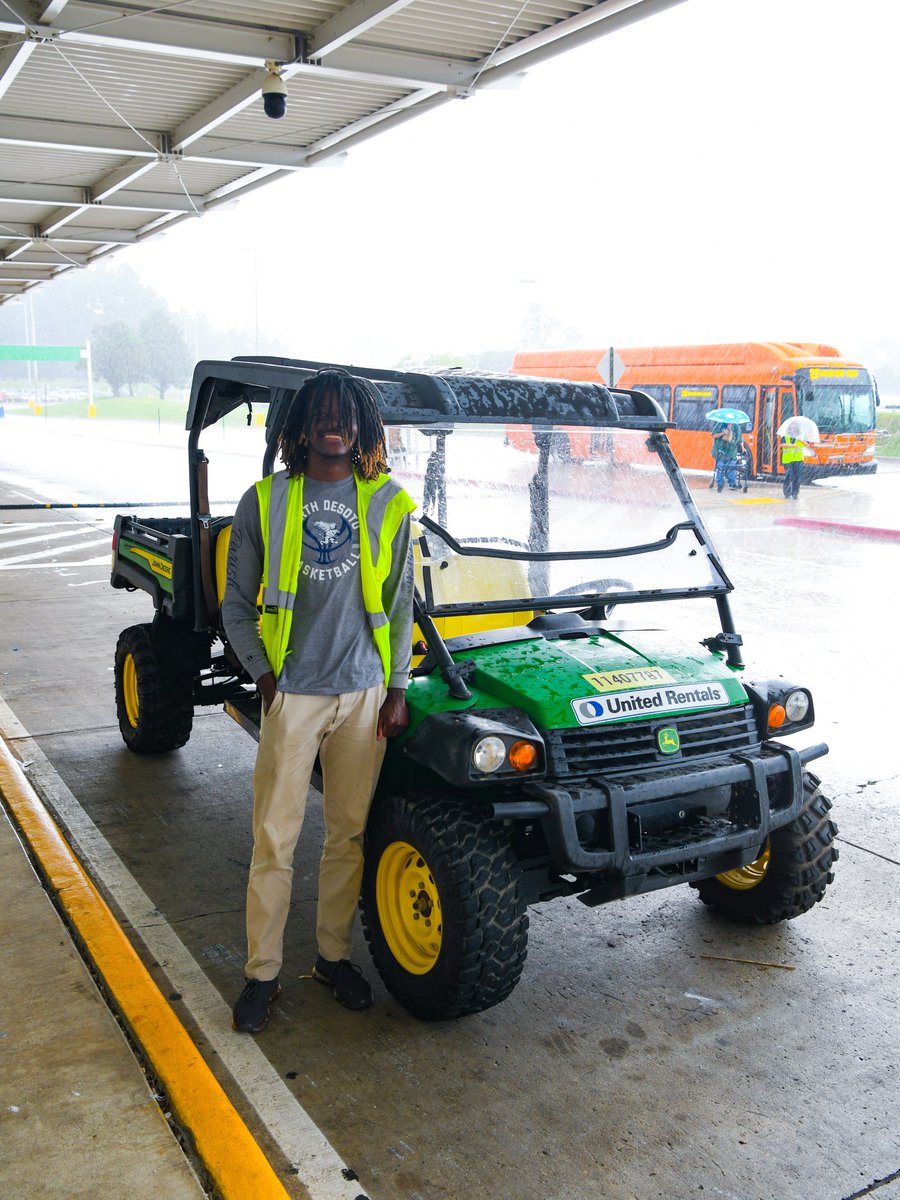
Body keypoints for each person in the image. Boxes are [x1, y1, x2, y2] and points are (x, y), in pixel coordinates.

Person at [222, 368, 415, 1033]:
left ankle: (332, 959)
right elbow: (238, 605)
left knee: (347, 837)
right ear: (300, 428)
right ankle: (262, 974)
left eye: (346, 414)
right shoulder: (265, 501)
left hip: (362, 699)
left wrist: (397, 689)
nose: (335, 423)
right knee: (275, 839)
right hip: (293, 697)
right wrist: (264, 675)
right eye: (322, 413)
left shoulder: (389, 504)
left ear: (362, 427)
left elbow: (400, 604)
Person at [711, 421, 742, 491]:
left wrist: (741, 447)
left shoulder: (736, 427)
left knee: (731, 467)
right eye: (728, 423)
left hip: (731, 452)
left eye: (731, 423)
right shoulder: (720, 424)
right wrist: (723, 433)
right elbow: (713, 435)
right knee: (720, 468)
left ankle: (732, 484)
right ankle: (720, 484)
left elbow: (739, 438)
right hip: (720, 451)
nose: (729, 424)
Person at [781, 431, 806, 500]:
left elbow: (807, 445)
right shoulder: (785, 436)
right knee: (789, 476)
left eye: (794, 427)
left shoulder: (802, 436)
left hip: (798, 460)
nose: (793, 428)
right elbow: (782, 445)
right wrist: (792, 446)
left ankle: (795, 493)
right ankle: (787, 493)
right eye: (791, 427)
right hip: (787, 460)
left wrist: (802, 441)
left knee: (797, 477)